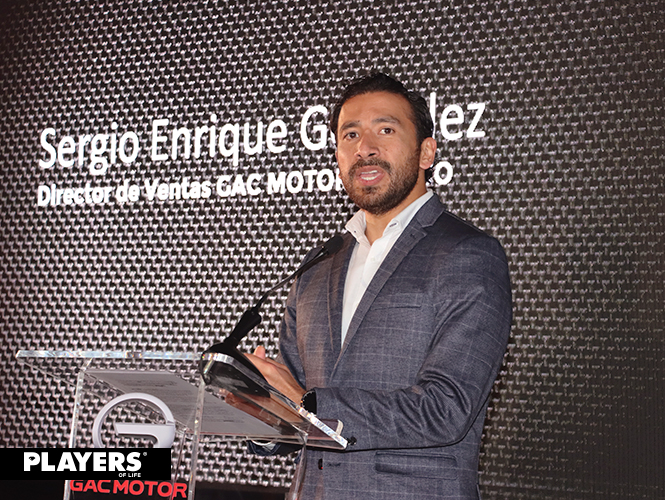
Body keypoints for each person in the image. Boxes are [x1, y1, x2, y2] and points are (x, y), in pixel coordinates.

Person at [246, 73, 512, 499]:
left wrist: (311, 405)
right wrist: (259, 408)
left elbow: (446, 409)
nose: (364, 148)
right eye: (350, 135)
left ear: (426, 152)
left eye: (385, 130)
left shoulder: (468, 254)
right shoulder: (318, 264)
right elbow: (295, 402)